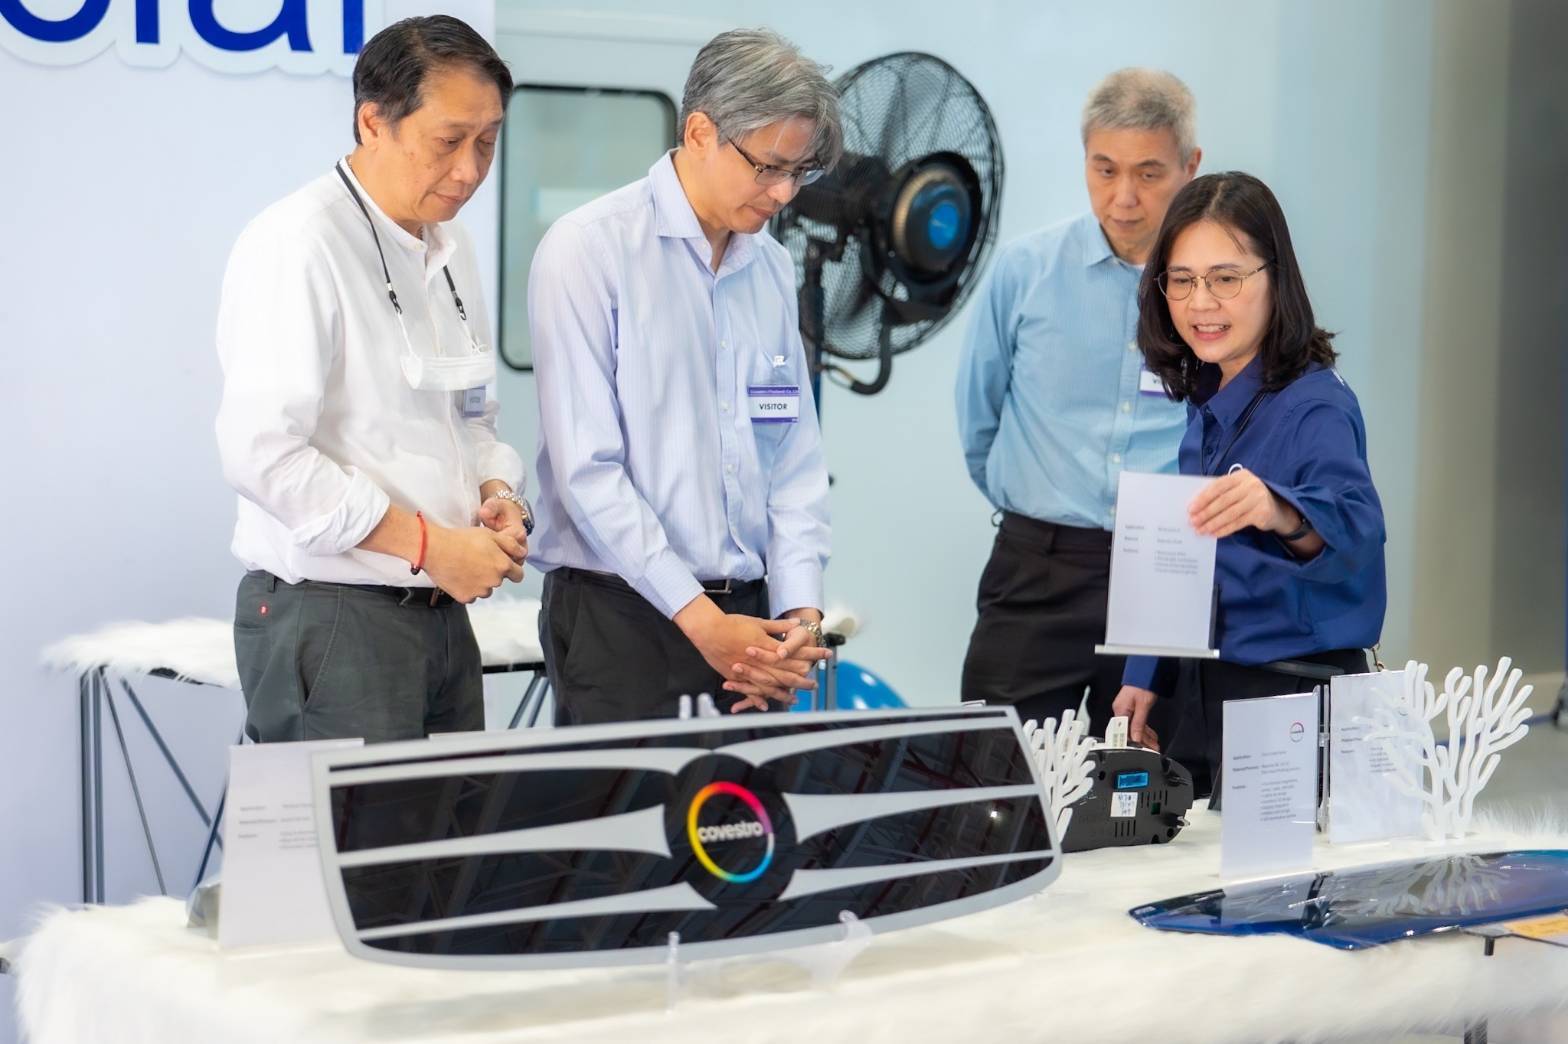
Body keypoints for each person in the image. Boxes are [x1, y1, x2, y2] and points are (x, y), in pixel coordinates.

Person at [215, 16, 529, 744]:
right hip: (332, 618)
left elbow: (470, 416)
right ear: (373, 122)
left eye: (488, 141)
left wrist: (498, 494)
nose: (470, 170)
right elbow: (262, 454)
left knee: (454, 820)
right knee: (357, 826)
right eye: (448, 141)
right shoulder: (298, 243)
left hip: (441, 616)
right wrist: (429, 546)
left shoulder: (452, 245)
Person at [526, 29, 839, 726]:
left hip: (752, 621)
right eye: (769, 167)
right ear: (700, 132)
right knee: (626, 803)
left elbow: (792, 456)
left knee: (754, 801)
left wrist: (800, 616)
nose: (784, 193)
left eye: (801, 172)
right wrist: (701, 620)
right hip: (624, 619)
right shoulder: (590, 251)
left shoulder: (770, 266)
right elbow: (587, 472)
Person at [1111, 171, 1387, 791]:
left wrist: (1278, 509)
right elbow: (1190, 558)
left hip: (1291, 698)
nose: (1200, 303)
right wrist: (1144, 673)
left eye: (1226, 279)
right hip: (1207, 691)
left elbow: (1357, 530)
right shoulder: (1211, 396)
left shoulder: (1316, 405)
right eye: (1182, 280)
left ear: (1275, 279)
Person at [955, 69, 1200, 736]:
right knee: (1002, 770)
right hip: (1038, 566)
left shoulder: (1214, 293)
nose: (1124, 197)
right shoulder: (1025, 271)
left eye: (1149, 173)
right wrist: (1040, 513)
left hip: (1166, 570)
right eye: (1105, 169)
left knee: (1154, 782)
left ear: (1190, 166)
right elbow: (979, 418)